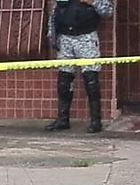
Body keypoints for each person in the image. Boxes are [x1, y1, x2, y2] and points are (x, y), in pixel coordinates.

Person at [45, 0, 114, 133]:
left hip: (86, 38)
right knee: (64, 81)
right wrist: (52, 36)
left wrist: (92, 1)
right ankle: (63, 119)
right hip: (65, 39)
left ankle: (96, 121)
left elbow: (108, 11)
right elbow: (54, 12)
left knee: (91, 80)